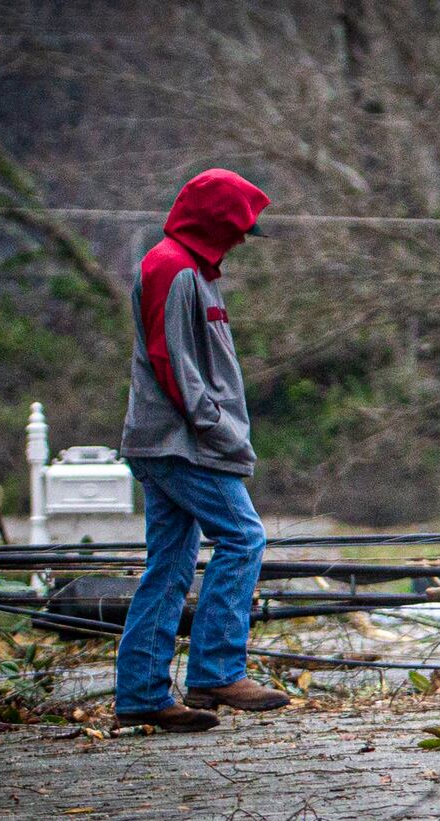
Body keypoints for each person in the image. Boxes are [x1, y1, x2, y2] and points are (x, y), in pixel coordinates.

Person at [114, 168, 291, 732]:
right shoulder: (171, 267)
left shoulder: (192, 272)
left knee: (168, 566)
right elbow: (171, 361)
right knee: (244, 537)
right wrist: (214, 426)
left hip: (175, 442)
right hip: (180, 445)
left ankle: (142, 695)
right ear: (215, 222)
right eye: (237, 228)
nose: (242, 239)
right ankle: (216, 669)